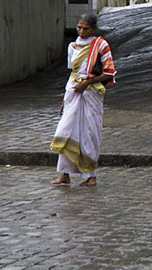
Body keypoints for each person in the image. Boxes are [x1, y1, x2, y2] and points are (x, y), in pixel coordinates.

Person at [50, 13, 117, 187]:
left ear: (94, 30)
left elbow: (108, 72)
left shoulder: (101, 45)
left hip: (91, 95)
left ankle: (91, 175)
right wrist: (65, 100)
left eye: (85, 28)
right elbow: (72, 73)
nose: (81, 31)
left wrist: (87, 82)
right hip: (73, 92)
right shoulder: (72, 46)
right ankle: (64, 173)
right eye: (79, 27)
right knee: (66, 131)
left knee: (89, 133)